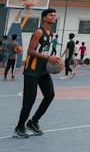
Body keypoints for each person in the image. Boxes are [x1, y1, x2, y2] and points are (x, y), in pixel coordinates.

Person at [13, 8, 63, 138]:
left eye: (55, 15)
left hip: (43, 71)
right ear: (44, 18)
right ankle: (19, 127)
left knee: (50, 95)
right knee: (29, 100)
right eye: (51, 15)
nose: (53, 17)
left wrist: (54, 60)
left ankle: (33, 121)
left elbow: (45, 51)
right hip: (32, 70)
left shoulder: (51, 34)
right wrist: (48, 58)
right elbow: (30, 51)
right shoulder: (39, 32)